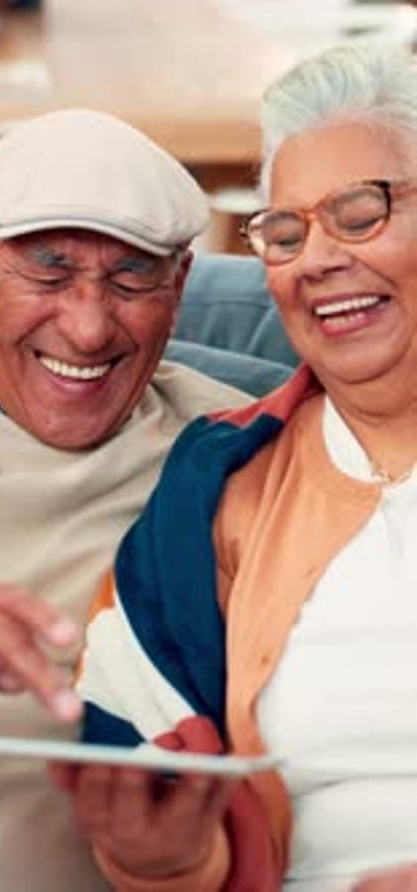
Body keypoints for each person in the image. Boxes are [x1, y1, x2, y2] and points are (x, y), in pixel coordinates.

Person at [55, 42, 417, 891]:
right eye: (285, 233)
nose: (317, 259)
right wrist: (169, 858)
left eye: (360, 212)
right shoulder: (216, 487)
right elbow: (140, 769)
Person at [0, 108, 250, 891]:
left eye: (133, 276)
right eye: (49, 271)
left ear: (181, 289)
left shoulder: (234, 452)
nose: (89, 326)